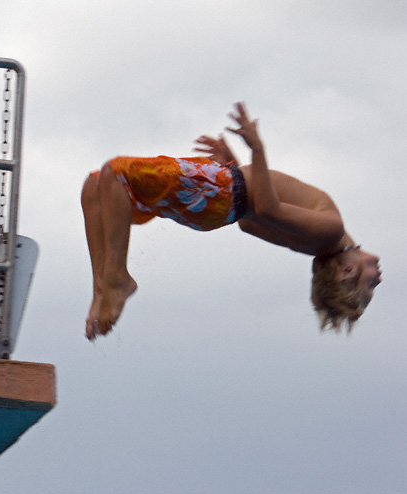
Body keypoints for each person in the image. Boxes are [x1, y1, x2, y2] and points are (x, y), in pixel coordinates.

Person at [81, 102, 381, 339]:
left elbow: (266, 209)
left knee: (116, 173)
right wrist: (235, 167)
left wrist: (257, 149)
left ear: (345, 271)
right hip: (219, 198)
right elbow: (249, 220)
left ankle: (117, 280)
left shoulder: (331, 231)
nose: (378, 276)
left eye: (370, 283)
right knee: (95, 187)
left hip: (217, 191)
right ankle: (100, 290)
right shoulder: (315, 243)